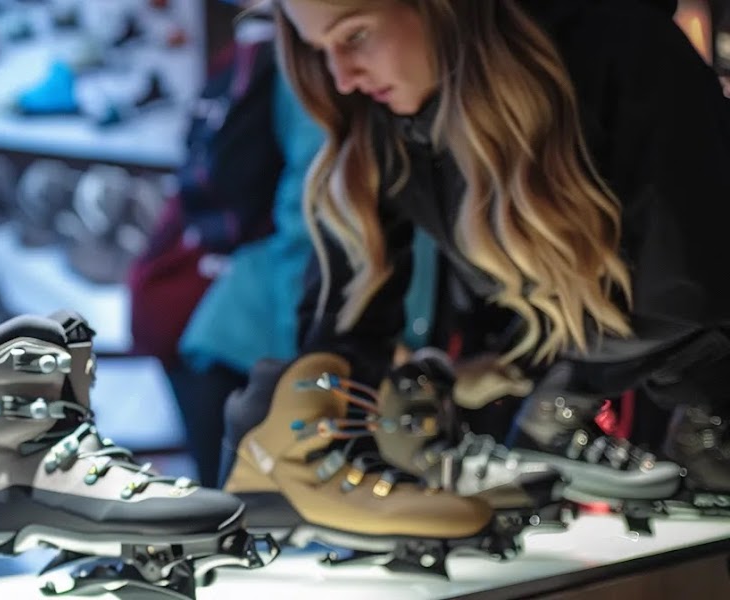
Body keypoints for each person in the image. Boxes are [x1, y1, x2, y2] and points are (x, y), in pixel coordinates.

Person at [272, 0, 730, 491]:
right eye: (318, 49)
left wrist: (533, 369)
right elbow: (343, 327)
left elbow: (686, 283)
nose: (341, 77)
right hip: (604, 393)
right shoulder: (383, 130)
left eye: (355, 35)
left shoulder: (619, 48)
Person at [159, 0, 440, 487]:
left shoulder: (409, 85)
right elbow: (310, 228)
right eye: (327, 47)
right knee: (258, 542)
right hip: (255, 349)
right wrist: (324, 359)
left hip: (322, 353)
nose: (343, 74)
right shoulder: (335, 85)